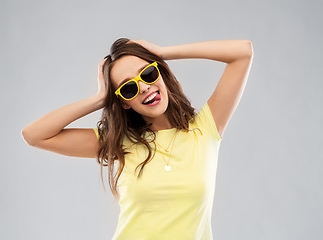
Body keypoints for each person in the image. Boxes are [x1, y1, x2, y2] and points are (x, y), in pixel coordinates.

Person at [22, 37, 254, 239]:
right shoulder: (118, 142)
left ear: (160, 73)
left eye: (148, 74)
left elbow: (243, 52)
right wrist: (100, 99)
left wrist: (163, 53)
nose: (143, 87)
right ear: (123, 102)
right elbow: (34, 135)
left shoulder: (205, 129)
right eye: (128, 89)